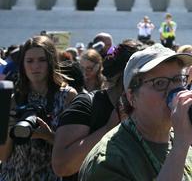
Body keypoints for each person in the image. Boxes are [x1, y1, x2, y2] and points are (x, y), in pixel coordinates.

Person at [79, 43, 192, 180]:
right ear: (131, 96)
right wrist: (180, 147)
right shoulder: (109, 160)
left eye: (178, 80)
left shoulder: (183, 146)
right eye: (159, 83)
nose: (175, 92)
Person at [52, 40, 143, 177]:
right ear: (124, 75)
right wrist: (108, 129)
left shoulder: (148, 107)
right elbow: (62, 167)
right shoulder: (87, 104)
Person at [0, 35, 77, 181]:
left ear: (51, 62)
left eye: (42, 60)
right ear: (22, 64)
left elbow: (73, 150)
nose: (35, 66)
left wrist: (47, 135)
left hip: (49, 176)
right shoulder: (12, 98)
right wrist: (10, 127)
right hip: (12, 176)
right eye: (29, 61)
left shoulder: (68, 96)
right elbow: (3, 156)